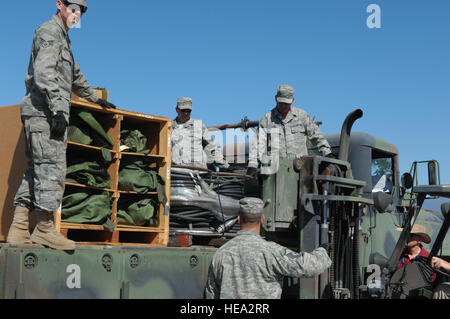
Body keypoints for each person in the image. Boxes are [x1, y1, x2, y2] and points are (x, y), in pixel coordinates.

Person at [7, 0, 116, 250]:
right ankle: (44, 228)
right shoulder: (49, 32)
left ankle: (19, 227)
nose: (77, 15)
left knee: (35, 170)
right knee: (51, 169)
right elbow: (44, 72)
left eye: (81, 11)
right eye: (73, 8)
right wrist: (57, 110)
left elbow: (75, 76)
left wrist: (95, 98)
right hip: (45, 113)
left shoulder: (63, 39)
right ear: (60, 5)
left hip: (42, 113)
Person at [204, 197, 332, 299]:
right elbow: (308, 266)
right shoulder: (271, 252)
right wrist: (323, 250)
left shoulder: (221, 254)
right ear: (262, 219)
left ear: (238, 219)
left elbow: (211, 294)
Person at [247, 84, 333, 176]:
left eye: (286, 103)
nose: (283, 106)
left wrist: (327, 153)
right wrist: (252, 166)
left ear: (292, 101)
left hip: (300, 170)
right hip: (275, 172)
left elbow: (317, 136)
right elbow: (258, 145)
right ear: (276, 98)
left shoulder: (302, 116)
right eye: (281, 103)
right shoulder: (267, 120)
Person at [171, 97, 229, 170]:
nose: (186, 113)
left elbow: (210, 145)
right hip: (176, 171)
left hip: (198, 170)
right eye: (183, 110)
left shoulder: (199, 125)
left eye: (188, 111)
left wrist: (221, 162)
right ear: (177, 109)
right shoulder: (168, 127)